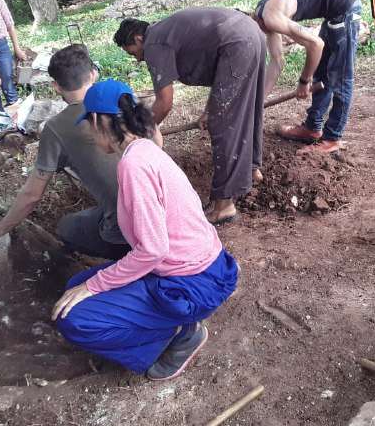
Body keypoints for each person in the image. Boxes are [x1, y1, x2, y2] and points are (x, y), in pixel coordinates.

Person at [52, 79, 238, 380]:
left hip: (191, 284)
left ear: (99, 119)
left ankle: (176, 338)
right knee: (77, 283)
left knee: (74, 319)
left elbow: (152, 249)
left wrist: (96, 286)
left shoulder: (133, 165)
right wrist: (92, 284)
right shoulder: (146, 150)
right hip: (204, 266)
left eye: (87, 122)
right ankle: (167, 322)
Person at [0, 45, 130, 259]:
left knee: (66, 227)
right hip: (169, 212)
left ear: (56, 86)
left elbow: (32, 194)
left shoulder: (57, 127)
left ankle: (112, 260)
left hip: (128, 234)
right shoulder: (123, 97)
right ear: (93, 74)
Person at [114, 8, 266, 225]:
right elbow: (219, 74)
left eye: (133, 52)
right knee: (249, 106)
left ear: (139, 38)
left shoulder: (154, 43)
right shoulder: (167, 31)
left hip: (237, 42)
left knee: (224, 125)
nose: (138, 59)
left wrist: (140, 133)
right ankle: (251, 169)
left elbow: (164, 102)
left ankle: (224, 206)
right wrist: (209, 109)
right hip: (250, 32)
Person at [254, 0, 361, 153]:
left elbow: (316, 44)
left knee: (340, 78)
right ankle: (312, 128)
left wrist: (304, 81)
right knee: (322, 72)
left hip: (345, 8)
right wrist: (257, 103)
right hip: (332, 12)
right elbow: (277, 62)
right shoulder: (261, 16)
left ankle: (332, 139)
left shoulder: (271, 18)